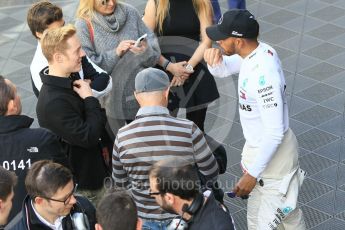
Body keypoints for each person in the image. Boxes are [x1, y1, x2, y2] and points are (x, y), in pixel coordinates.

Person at [204, 10, 306, 229]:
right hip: (265, 155)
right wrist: (213, 60)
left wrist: (252, 174)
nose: (218, 40)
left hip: (273, 162)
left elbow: (275, 132)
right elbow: (224, 69)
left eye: (223, 36)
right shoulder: (257, 53)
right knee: (285, 217)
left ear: (239, 41)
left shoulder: (264, 76)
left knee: (266, 222)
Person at [112, 67, 219, 229]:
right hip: (184, 217)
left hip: (143, 219)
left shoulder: (122, 136)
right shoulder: (189, 129)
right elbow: (211, 172)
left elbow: (120, 184)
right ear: (167, 92)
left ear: (135, 95)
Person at [36, 24, 108, 203]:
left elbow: (98, 121)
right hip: (85, 188)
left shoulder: (70, 77)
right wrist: (90, 99)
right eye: (77, 50)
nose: (83, 54)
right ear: (58, 57)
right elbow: (90, 136)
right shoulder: (53, 103)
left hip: (97, 172)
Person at [75, 0, 160, 137]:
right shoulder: (83, 25)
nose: (111, 3)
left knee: (149, 143)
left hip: (142, 95)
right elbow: (88, 67)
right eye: (104, 1)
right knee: (118, 147)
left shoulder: (130, 12)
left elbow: (154, 52)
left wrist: (145, 50)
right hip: (110, 103)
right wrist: (116, 53)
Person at [143, 0, 219, 132]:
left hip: (194, 65)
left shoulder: (202, 2)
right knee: (165, 128)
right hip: (163, 67)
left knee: (197, 128)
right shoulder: (155, 2)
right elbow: (145, 41)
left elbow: (206, 42)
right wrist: (170, 66)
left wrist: (187, 69)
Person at [0, 75, 68, 221]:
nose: (19, 96)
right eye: (16, 92)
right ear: (12, 105)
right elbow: (65, 176)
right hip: (46, 220)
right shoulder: (42, 138)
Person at [27, 0, 112, 99]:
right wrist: (88, 88)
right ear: (39, 34)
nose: (63, 32)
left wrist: (85, 90)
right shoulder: (39, 68)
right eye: (55, 32)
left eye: (63, 26)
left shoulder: (74, 48)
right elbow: (64, 103)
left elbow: (106, 79)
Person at [6, 160, 96, 230]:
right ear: (40, 201)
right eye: (65, 198)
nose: (74, 200)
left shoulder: (84, 206)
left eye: (72, 192)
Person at [149, 158, 235, 230]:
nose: (152, 195)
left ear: (169, 198)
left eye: (153, 193)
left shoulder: (215, 226)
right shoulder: (208, 202)